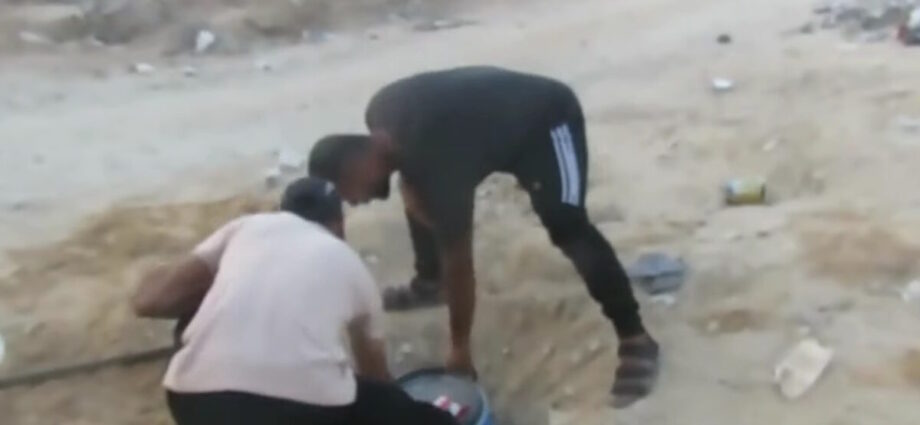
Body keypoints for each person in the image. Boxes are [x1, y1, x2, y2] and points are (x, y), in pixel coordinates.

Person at [308, 66, 660, 408]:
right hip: (490, 129)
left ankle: (635, 338)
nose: (357, 202)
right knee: (417, 191)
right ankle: (429, 283)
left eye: (350, 194)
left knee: (566, 224)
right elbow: (415, 179)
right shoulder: (381, 113)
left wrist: (460, 348)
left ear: (356, 168)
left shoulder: (436, 161)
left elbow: (460, 262)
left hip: (546, 121)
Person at [131, 177, 458, 425]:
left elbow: (149, 302)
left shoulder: (248, 227)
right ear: (339, 225)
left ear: (282, 211)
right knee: (394, 406)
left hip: (193, 401)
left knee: (193, 314)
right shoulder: (350, 264)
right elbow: (375, 374)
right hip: (299, 412)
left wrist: (220, 290)